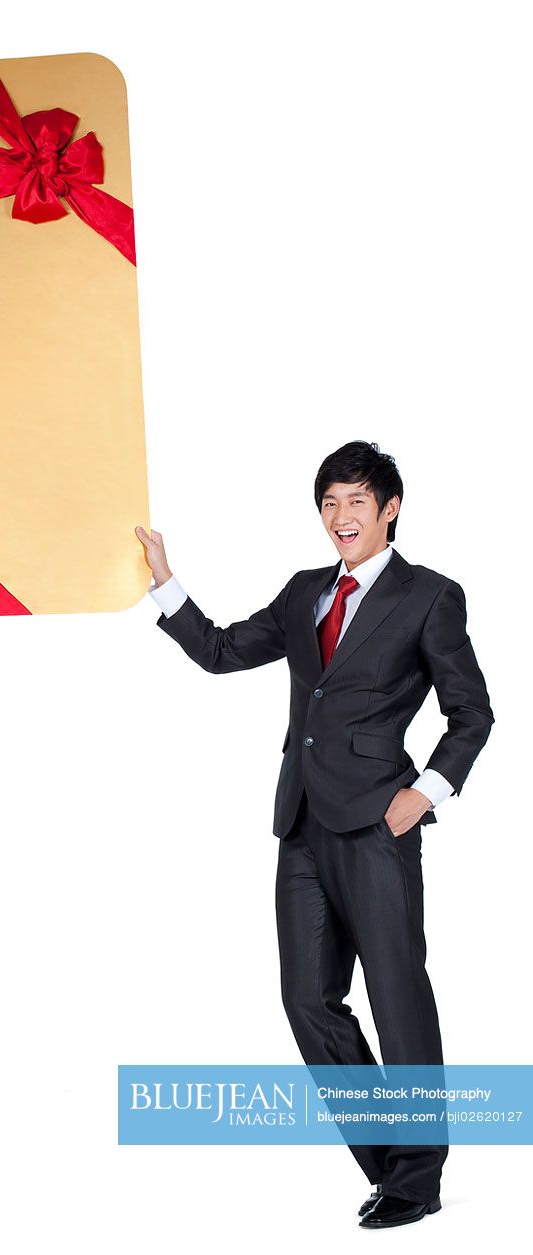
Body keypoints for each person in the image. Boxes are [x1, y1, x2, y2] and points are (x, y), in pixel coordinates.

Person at [135, 440, 493, 1230]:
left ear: (389, 508)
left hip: (378, 822)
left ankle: (418, 1176)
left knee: (398, 995)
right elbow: (224, 651)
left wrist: (423, 792)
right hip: (299, 822)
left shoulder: (429, 596)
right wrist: (165, 582)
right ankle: (390, 1163)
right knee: (308, 999)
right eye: (330, 503)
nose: (341, 517)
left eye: (356, 502)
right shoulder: (304, 594)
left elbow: (473, 711)